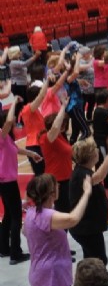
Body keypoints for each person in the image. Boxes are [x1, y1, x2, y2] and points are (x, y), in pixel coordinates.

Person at [24, 173, 92, 286]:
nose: (59, 186)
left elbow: (25, 231)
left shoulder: (31, 212)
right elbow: (73, 219)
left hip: (38, 270)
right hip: (52, 274)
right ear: (52, 193)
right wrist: (86, 193)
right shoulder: (46, 215)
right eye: (56, 185)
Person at [0, 95, 42, 265]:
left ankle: (3, 248)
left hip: (6, 181)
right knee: (17, 216)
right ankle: (16, 253)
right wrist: (13, 104)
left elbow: (16, 149)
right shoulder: (1, 134)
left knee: (9, 215)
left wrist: (32, 154)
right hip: (6, 181)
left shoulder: (6, 138)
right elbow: (10, 121)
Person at [68, 137, 108, 264]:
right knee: (100, 261)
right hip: (86, 229)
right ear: (91, 156)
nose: (97, 151)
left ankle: (86, 280)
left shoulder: (83, 171)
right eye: (95, 150)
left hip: (89, 227)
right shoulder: (81, 174)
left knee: (90, 259)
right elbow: (100, 176)